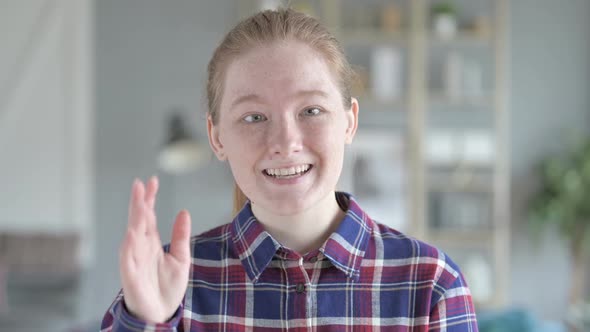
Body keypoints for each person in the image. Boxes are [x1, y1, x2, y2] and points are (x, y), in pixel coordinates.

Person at [101, 8, 478, 331]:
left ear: (349, 122)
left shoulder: (431, 284)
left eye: (311, 111)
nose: (284, 141)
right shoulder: (170, 285)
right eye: (254, 116)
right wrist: (148, 321)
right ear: (216, 137)